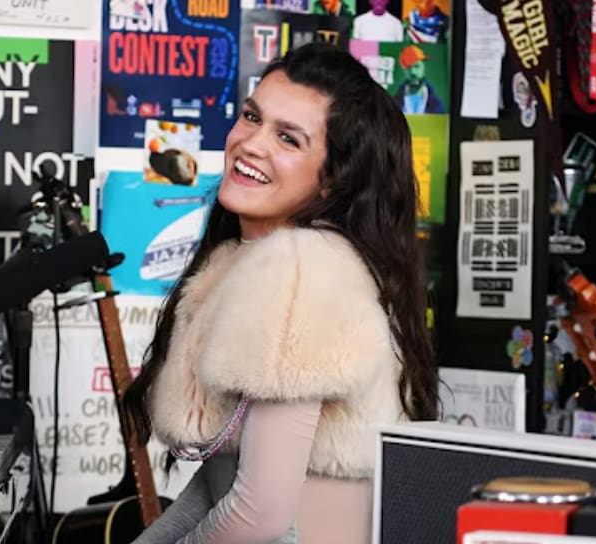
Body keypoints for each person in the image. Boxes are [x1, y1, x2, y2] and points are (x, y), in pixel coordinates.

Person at [122, 42, 439, 543]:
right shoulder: (249, 262)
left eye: (288, 139)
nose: (251, 143)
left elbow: (259, 515)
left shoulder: (303, 270)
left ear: (332, 180)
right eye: (252, 117)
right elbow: (212, 489)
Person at [394, 45, 445, 114]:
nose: (413, 72)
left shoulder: (436, 106)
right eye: (408, 67)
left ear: (424, 68)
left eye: (417, 66)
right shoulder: (393, 104)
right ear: (404, 70)